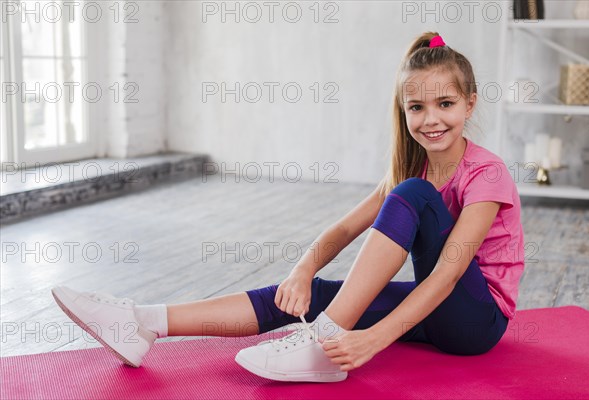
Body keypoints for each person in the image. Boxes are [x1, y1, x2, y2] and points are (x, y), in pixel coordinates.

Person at [51, 31, 524, 383]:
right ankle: (143, 322)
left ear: (469, 105)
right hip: (433, 315)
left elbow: (446, 274)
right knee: (316, 294)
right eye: (416, 107)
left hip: (475, 325)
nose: (431, 118)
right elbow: (341, 232)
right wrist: (301, 270)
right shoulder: (410, 171)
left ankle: (323, 342)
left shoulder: (487, 173)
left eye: (445, 103)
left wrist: (370, 340)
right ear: (403, 111)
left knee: (411, 198)